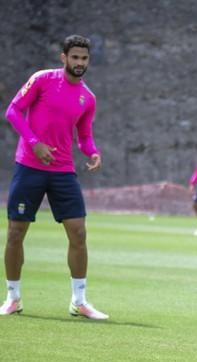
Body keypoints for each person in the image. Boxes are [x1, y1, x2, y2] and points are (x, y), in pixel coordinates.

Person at [0, 34, 108, 320]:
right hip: (29, 167)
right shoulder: (42, 79)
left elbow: (84, 136)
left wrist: (92, 152)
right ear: (64, 57)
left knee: (78, 232)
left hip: (62, 171)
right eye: (74, 57)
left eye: (84, 59)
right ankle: (12, 298)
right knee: (15, 233)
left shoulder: (88, 97)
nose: (79, 63)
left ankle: (79, 301)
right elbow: (13, 111)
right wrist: (34, 142)